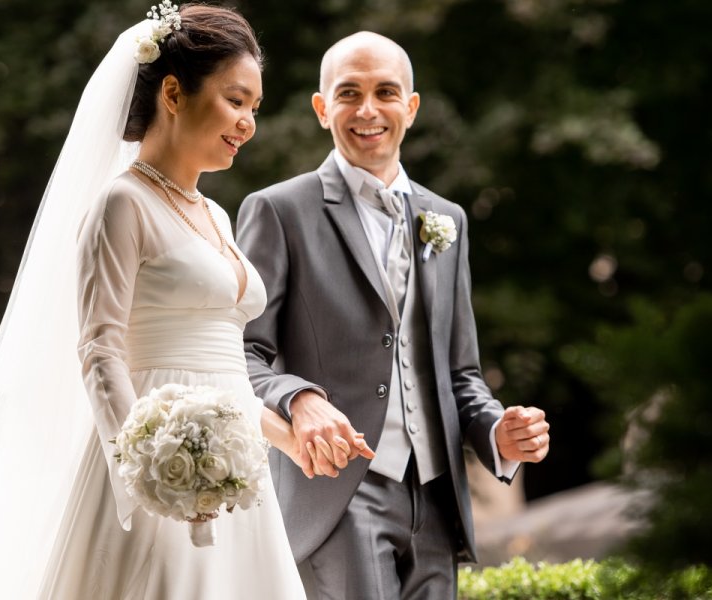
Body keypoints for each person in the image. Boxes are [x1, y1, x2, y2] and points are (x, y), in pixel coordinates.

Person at [0, 3, 365, 598]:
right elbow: (99, 351)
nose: (248, 122)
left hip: (232, 480)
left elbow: (223, 371)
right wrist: (149, 476)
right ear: (173, 94)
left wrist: (289, 439)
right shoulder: (120, 204)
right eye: (235, 100)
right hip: (157, 473)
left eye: (253, 107)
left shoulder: (218, 216)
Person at [236, 30, 552, 599]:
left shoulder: (446, 219)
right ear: (321, 107)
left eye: (385, 92)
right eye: (348, 93)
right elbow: (238, 352)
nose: (367, 110)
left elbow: (460, 374)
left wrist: (498, 433)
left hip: (436, 498)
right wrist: (298, 398)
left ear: (410, 106)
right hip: (335, 494)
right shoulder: (278, 210)